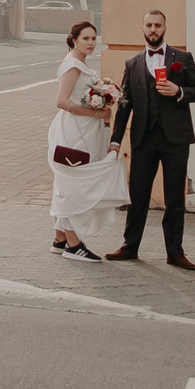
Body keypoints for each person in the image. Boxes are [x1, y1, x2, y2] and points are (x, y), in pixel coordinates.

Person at [107, 6, 195, 268]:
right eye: (149, 25)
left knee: (174, 196)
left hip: (176, 139)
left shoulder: (182, 58)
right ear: (142, 28)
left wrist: (178, 90)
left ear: (165, 28)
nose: (153, 29)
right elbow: (125, 105)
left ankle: (175, 252)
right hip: (144, 139)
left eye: (158, 25)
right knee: (138, 195)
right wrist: (116, 141)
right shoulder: (133, 64)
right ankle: (130, 246)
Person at [48, 20, 125, 261]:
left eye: (93, 38)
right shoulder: (72, 65)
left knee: (71, 183)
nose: (91, 43)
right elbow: (61, 101)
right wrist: (94, 112)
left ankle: (60, 238)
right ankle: (73, 244)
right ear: (74, 39)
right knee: (74, 186)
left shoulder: (80, 63)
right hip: (74, 132)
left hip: (85, 131)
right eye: (86, 39)